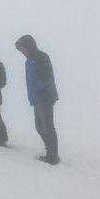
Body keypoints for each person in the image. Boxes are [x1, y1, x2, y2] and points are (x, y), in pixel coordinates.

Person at [15, 35, 60, 165]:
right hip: (37, 99)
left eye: (23, 48)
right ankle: (50, 151)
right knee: (39, 127)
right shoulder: (29, 61)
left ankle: (53, 156)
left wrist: (38, 90)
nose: (22, 52)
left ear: (29, 46)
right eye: (20, 50)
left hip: (45, 97)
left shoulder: (41, 57)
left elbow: (46, 78)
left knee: (47, 127)